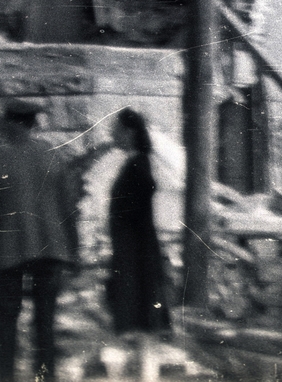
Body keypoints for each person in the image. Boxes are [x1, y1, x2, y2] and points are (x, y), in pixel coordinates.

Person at [0, 99, 78, 382]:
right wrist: (73, 249)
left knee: (7, 321)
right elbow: (68, 206)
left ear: (11, 124)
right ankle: (44, 378)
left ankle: (6, 377)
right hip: (50, 248)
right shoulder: (53, 156)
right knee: (45, 322)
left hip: (9, 251)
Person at [104, 110, 168, 382]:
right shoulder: (136, 163)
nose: (111, 134)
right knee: (140, 326)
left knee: (138, 326)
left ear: (129, 133)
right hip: (134, 254)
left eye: (115, 129)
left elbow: (135, 214)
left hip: (135, 256)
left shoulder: (138, 166)